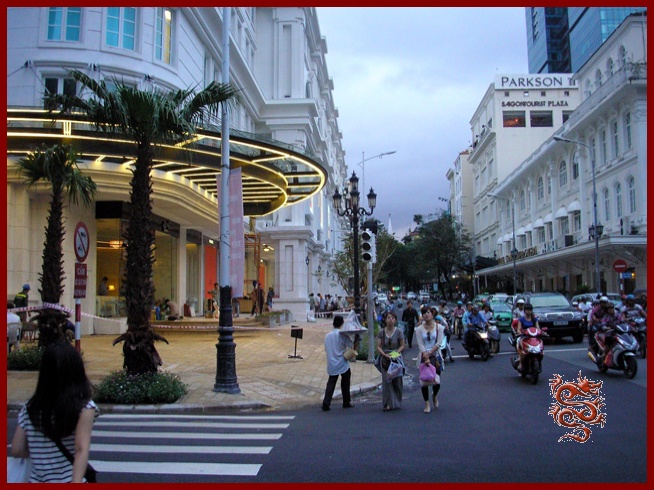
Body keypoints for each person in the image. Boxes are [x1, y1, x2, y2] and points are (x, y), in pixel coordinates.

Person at [10, 342, 99, 482]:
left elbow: (17, 449)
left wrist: (39, 453)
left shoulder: (30, 407)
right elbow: (81, 449)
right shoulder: (84, 407)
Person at [321, 315, 356, 411]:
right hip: (342, 362)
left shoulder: (327, 336)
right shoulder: (342, 335)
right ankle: (346, 401)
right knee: (345, 381)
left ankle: (326, 403)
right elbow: (351, 345)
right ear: (342, 324)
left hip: (331, 362)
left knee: (331, 382)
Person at [415, 306, 444, 413]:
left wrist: (430, 353)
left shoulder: (439, 327)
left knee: (436, 381)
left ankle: (434, 395)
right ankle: (427, 403)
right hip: (423, 356)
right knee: (424, 381)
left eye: (428, 312)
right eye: (424, 313)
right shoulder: (419, 329)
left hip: (435, 356)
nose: (426, 315)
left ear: (432, 314)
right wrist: (425, 355)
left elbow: (439, 343)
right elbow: (420, 344)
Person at [375, 311, 406, 412]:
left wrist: (396, 353)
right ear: (385, 320)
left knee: (397, 381)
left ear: (395, 320)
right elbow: (378, 346)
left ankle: (396, 401)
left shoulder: (399, 332)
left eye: (392, 318)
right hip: (385, 359)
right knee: (386, 382)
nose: (390, 320)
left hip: (396, 358)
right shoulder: (381, 332)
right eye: (388, 318)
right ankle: (387, 403)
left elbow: (402, 345)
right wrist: (384, 354)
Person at [512, 303, 539, 372]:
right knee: (520, 344)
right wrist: (519, 332)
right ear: (524, 311)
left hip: (533, 337)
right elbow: (518, 329)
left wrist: (542, 332)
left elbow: (538, 328)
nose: (528, 311)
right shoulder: (521, 319)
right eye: (527, 310)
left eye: (530, 310)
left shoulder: (534, 319)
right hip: (524, 337)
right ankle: (520, 362)